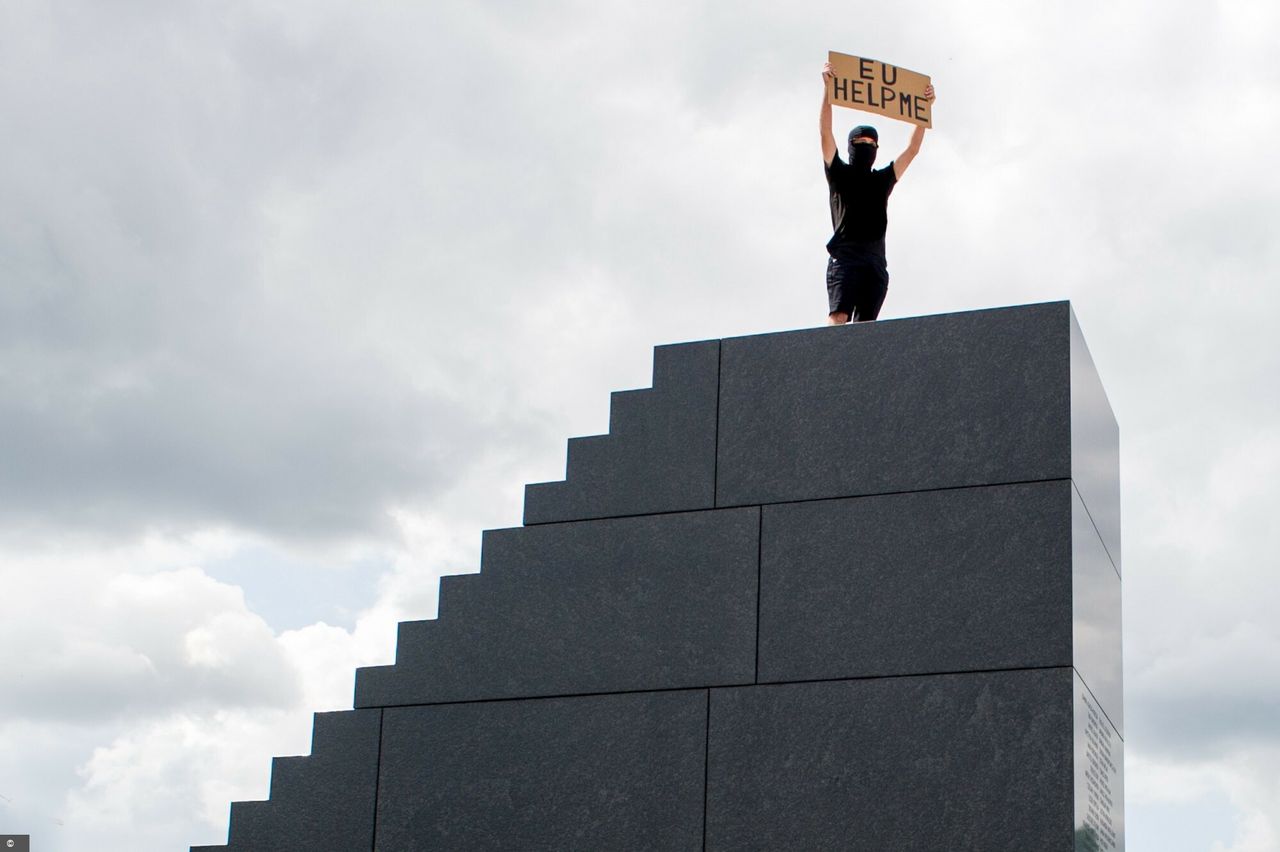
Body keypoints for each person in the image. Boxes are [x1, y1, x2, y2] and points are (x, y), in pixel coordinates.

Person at [820, 61, 935, 324]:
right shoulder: (839, 174)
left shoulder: (882, 180)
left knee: (867, 332)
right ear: (851, 146)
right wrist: (828, 91)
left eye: (872, 143)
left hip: (875, 264)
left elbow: (912, 150)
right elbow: (825, 132)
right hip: (845, 259)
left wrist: (924, 110)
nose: (867, 146)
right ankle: (829, 364)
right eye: (861, 142)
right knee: (838, 317)